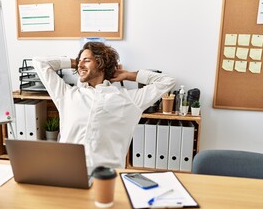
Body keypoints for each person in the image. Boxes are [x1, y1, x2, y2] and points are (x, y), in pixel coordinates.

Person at [33, 42, 175, 169]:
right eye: (79, 61)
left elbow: (168, 81)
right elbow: (39, 62)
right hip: (67, 172)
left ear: (101, 63)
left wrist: (128, 75)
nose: (80, 65)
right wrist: (76, 62)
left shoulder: (128, 99)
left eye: (87, 60)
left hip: (106, 178)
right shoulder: (67, 94)